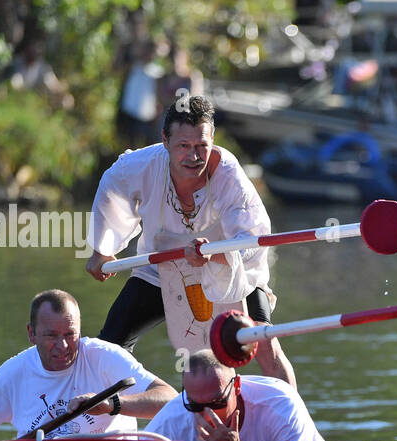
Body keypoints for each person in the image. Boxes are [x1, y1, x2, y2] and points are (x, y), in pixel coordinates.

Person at [86, 94, 296, 387]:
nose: (193, 156)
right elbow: (112, 184)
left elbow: (253, 243)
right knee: (107, 348)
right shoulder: (139, 166)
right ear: (165, 142)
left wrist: (215, 255)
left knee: (265, 347)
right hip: (161, 269)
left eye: (201, 146)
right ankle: (114, 415)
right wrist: (102, 249)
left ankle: (293, 426)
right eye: (183, 146)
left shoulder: (231, 178)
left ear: (213, 141)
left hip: (230, 273)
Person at [0, 290, 177, 441]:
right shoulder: (14, 372)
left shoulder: (103, 356)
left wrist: (112, 405)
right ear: (31, 334)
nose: (63, 346)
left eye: (70, 334)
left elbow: (168, 398)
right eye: (51, 335)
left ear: (79, 331)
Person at [146, 351, 350, 441]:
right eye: (195, 405)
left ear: (237, 387)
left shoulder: (280, 405)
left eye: (217, 403)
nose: (206, 414)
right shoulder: (173, 417)